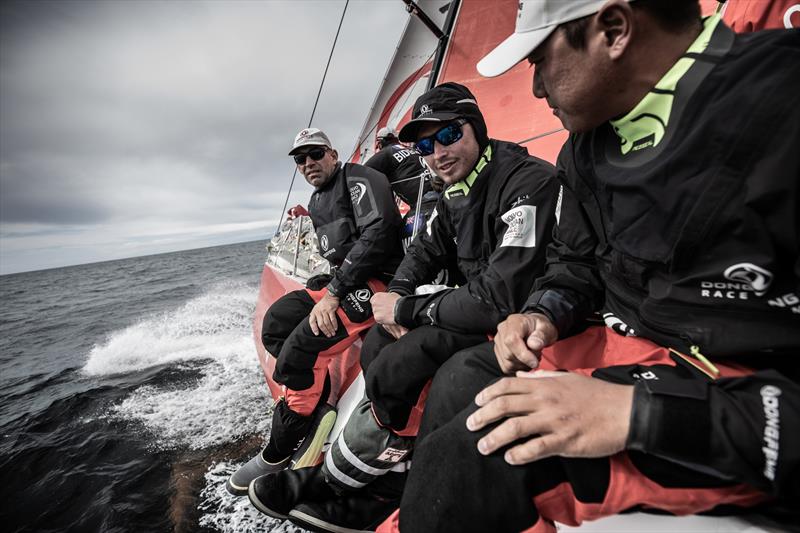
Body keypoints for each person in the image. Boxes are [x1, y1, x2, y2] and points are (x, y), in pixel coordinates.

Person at [385, 0, 800, 532]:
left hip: (744, 393)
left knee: (480, 452)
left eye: (539, 60)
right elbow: (574, 265)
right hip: (640, 343)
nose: (535, 89)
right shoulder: (584, 150)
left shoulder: (784, 104)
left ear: (614, 29)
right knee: (467, 375)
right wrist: (541, 315)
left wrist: (637, 413)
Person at [247, 82, 559, 532]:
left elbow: (499, 296)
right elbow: (424, 251)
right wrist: (397, 295)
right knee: (377, 345)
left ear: (476, 129)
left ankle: (357, 485)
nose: (437, 152)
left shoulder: (526, 180)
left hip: (520, 316)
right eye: (426, 145)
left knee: (405, 361)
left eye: (448, 135)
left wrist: (407, 310)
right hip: (477, 305)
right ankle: (386, 468)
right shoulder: (452, 188)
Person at [226, 127, 404, 496]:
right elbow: (342, 251)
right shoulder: (318, 200)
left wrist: (334, 292)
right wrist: (331, 280)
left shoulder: (359, 178)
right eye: (300, 159)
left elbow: (381, 230)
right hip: (344, 281)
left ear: (333, 154)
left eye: (315, 154)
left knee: (300, 350)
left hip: (380, 284)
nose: (308, 163)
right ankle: (316, 405)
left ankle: (278, 451)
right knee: (275, 325)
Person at [365, 127, 439, 243]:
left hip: (423, 204)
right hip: (437, 195)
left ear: (381, 142)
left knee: (401, 240)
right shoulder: (411, 149)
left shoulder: (386, 153)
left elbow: (360, 173)